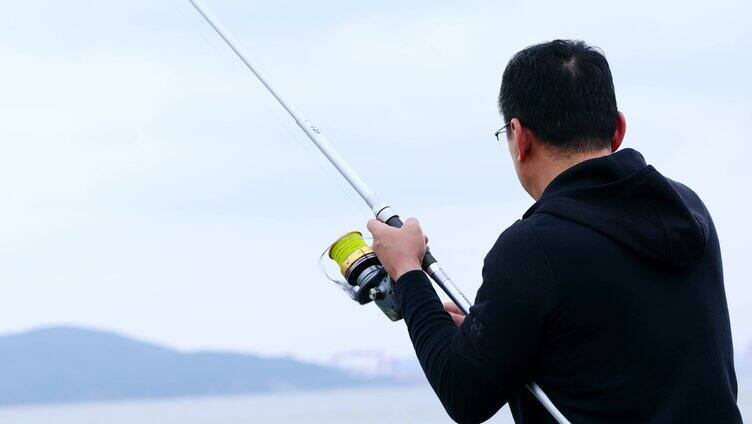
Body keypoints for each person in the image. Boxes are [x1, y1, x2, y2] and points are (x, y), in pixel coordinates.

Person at [366, 40, 742, 423]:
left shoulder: (531, 248)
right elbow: (623, 350)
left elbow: (464, 394)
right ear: (618, 129)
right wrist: (494, 336)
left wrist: (407, 270)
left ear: (519, 136)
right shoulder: (687, 208)